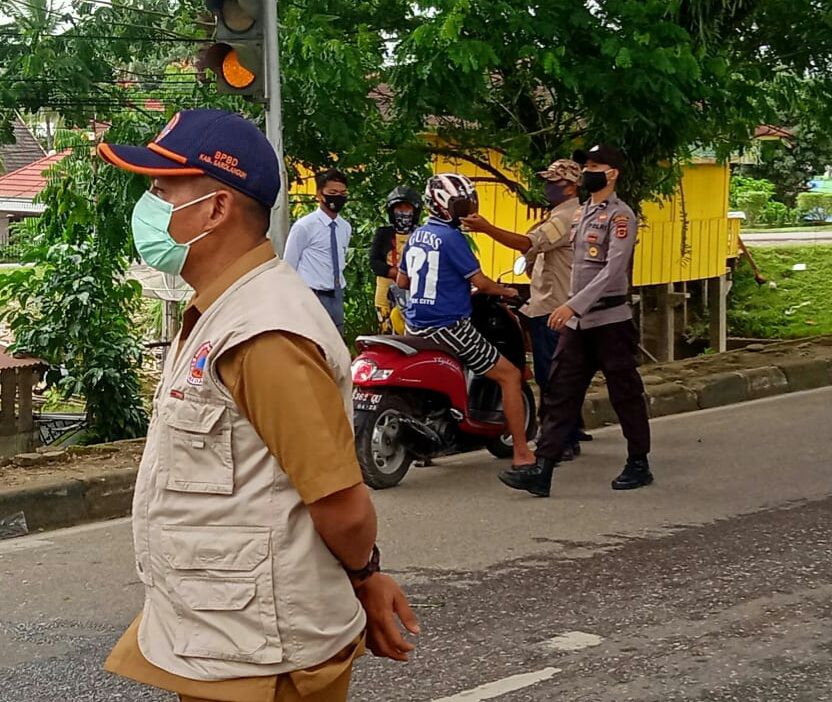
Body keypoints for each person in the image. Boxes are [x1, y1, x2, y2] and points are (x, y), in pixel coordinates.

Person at [97, 109, 417, 702]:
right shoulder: (224, 311)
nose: (149, 205)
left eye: (163, 190)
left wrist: (366, 577)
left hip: (265, 653)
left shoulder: (264, 334)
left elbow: (342, 504)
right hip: (228, 639)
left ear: (216, 209)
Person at [498, 144, 653, 497]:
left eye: (594, 165)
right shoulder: (581, 214)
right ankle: (544, 468)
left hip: (609, 320)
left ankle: (638, 461)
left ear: (612, 173)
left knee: (625, 392)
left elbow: (613, 270)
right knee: (560, 391)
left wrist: (573, 305)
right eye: (586, 165)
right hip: (577, 324)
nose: (587, 171)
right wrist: (571, 308)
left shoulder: (621, 216)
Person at [396, 173, 537, 470]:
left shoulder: (418, 235)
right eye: (462, 204)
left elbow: (403, 281)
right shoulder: (453, 239)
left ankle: (430, 444)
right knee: (510, 375)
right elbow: (482, 283)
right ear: (444, 205)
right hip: (448, 327)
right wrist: (506, 290)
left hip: (414, 326)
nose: (466, 210)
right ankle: (523, 452)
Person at [461, 158, 590, 460]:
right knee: (562, 374)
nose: (547, 187)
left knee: (551, 376)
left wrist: (486, 228)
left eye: (553, 182)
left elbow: (525, 243)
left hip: (553, 306)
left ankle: (558, 441)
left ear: (571, 186)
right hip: (554, 303)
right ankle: (569, 431)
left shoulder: (565, 217)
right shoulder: (567, 214)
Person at [283, 168, 351, 335]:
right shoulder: (305, 227)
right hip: (311, 295)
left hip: (336, 295)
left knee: (336, 343)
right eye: (333, 192)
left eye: (343, 193)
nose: (338, 197)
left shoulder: (345, 227)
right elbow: (289, 265)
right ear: (320, 194)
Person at [370, 186, 422, 334]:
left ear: (415, 211)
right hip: (384, 293)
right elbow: (374, 262)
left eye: (407, 208)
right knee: (386, 334)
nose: (403, 213)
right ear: (392, 212)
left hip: (412, 292)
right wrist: (394, 272)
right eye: (399, 209)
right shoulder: (383, 233)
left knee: (408, 332)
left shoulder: (421, 234)